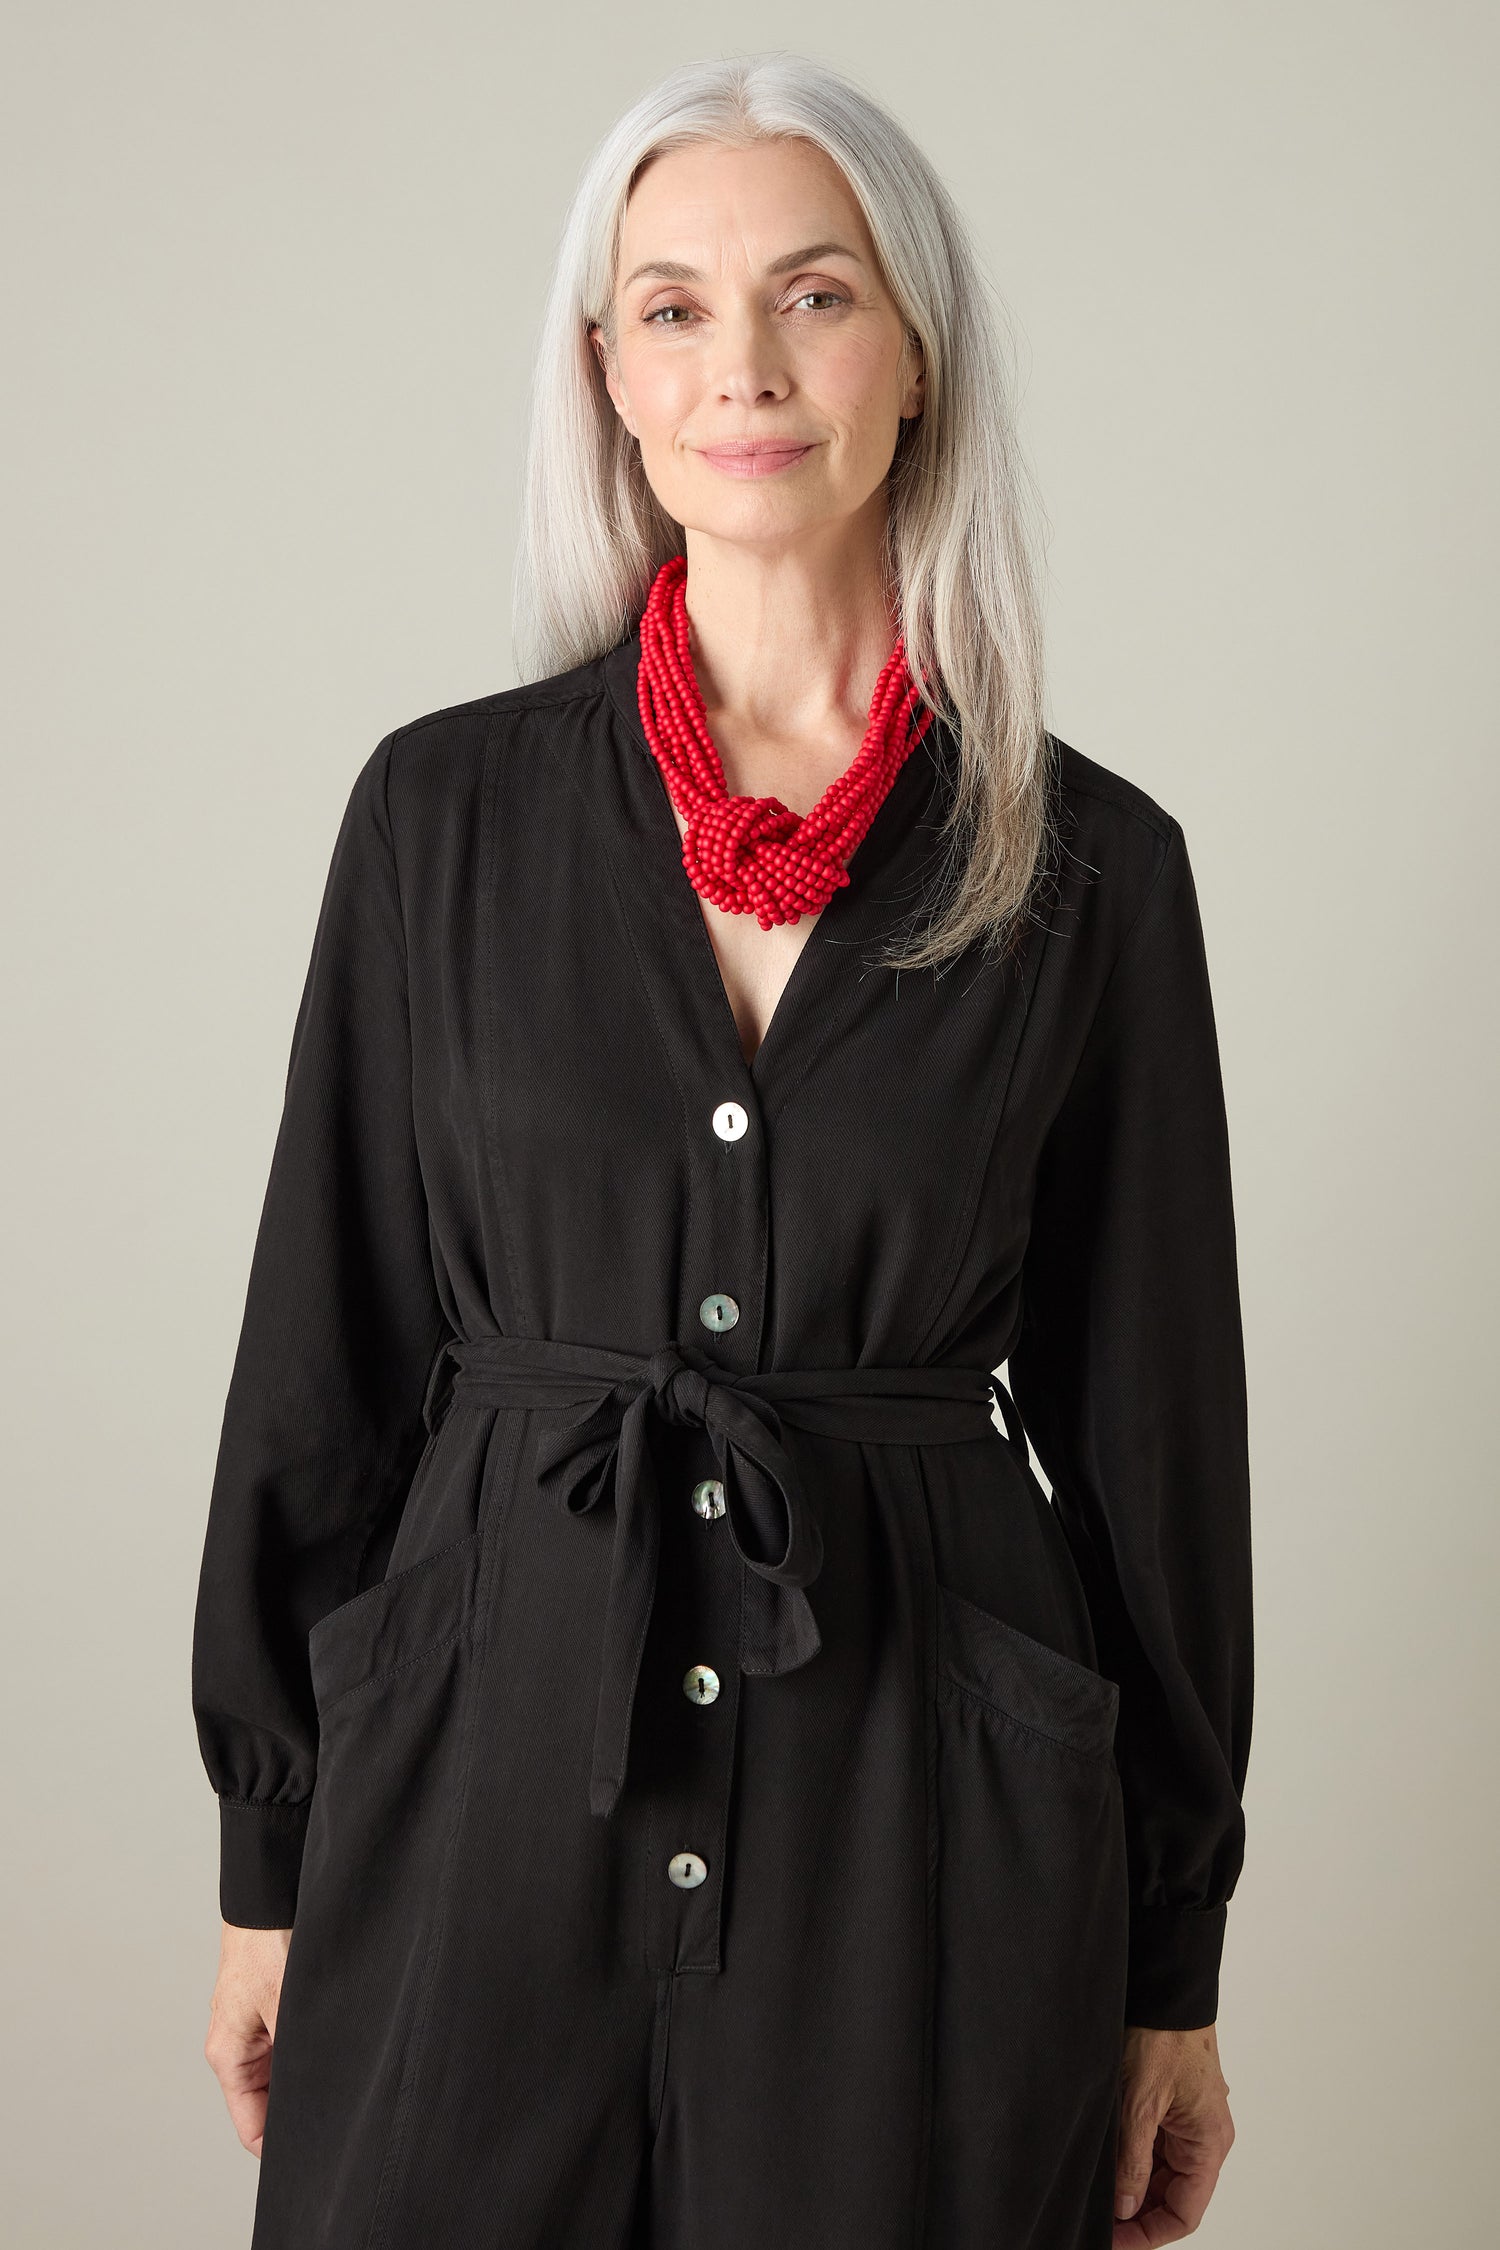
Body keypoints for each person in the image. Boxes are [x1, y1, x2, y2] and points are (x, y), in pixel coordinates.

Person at [193, 50, 1253, 2250]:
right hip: (481, 1793)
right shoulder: (441, 823)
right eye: (670, 308)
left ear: (915, 356)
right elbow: (330, 1357)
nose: (742, 367)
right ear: (605, 373)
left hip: (930, 1831)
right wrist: (275, 1852)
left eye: (813, 294)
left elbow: (1158, 1444)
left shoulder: (1093, 873)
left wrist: (1172, 1955)